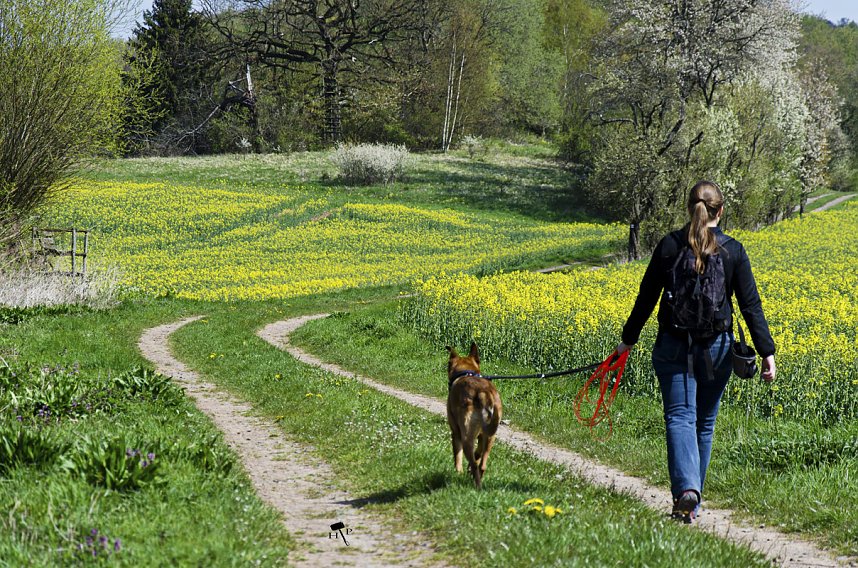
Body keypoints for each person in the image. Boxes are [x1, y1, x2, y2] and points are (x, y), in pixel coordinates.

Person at [616, 180, 776, 523]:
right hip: (717, 349)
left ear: (689, 208)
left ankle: (686, 491)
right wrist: (767, 352)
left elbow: (646, 297)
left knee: (679, 416)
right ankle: (692, 504)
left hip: (673, 344)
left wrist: (628, 340)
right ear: (721, 210)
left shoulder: (670, 245)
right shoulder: (733, 250)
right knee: (704, 423)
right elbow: (750, 305)